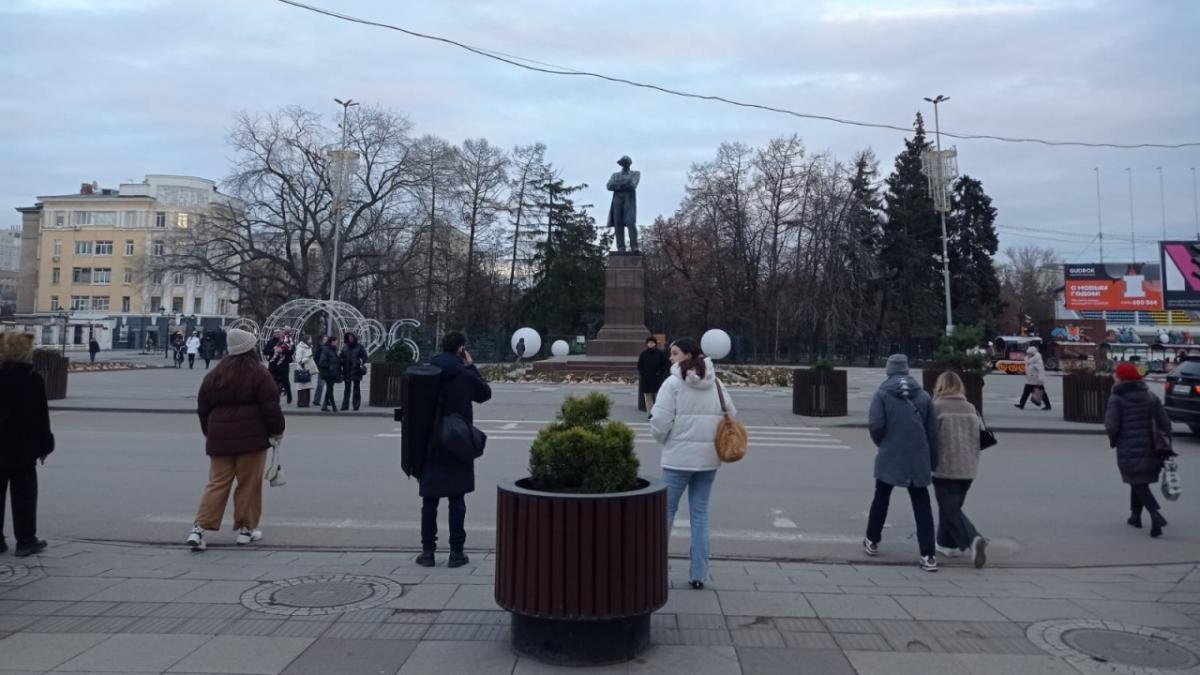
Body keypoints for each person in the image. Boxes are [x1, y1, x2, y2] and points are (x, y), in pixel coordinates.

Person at [186, 328, 284, 551]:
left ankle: (199, 529)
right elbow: (271, 407)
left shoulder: (215, 374)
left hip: (219, 439)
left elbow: (203, 408)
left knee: (217, 483)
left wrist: (209, 433)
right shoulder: (259, 373)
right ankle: (245, 530)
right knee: (249, 484)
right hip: (252, 439)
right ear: (250, 348)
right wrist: (277, 432)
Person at [650, 337, 734, 590]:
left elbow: (660, 422)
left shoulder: (672, 383)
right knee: (700, 515)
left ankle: (656, 570)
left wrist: (664, 439)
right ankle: (698, 574)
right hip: (708, 460)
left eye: (674, 353)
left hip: (678, 459)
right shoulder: (715, 381)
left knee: (664, 514)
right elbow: (731, 413)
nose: (670, 358)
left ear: (687, 355)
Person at [418, 331, 492, 568]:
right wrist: (472, 367)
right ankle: (456, 553)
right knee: (456, 498)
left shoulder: (428, 371)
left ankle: (428, 552)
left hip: (430, 442)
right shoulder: (463, 373)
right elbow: (484, 394)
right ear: (461, 349)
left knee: (429, 500)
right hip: (457, 440)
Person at [863, 354, 940, 572]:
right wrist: (933, 459)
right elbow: (932, 432)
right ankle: (928, 554)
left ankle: (872, 539)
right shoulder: (924, 397)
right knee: (922, 504)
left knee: (881, 497)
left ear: (888, 370)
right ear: (907, 370)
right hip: (918, 457)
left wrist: (884, 443)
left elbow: (876, 425)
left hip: (891, 454)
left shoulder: (882, 394)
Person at [0, 332, 55, 557]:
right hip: (23, 449)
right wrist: (45, 446)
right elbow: (40, 417)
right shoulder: (32, 379)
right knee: (24, 494)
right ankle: (26, 540)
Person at [1105, 362, 1171, 538]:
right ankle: (1135, 516)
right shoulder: (1150, 396)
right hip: (1152, 446)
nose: (1114, 376)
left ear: (1121, 378)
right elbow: (1165, 423)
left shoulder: (1117, 398)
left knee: (1137, 481)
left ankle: (1155, 514)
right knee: (1139, 481)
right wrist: (1166, 443)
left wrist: (1113, 440)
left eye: (1116, 374)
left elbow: (1111, 425)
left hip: (1128, 446)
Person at [931, 371, 988, 568]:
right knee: (951, 508)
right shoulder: (971, 408)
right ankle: (946, 544)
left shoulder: (936, 407)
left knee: (949, 509)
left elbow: (929, 437)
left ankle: (973, 539)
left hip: (945, 467)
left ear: (940, 386)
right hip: (968, 467)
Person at [638, 336, 670, 417]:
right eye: (649, 343)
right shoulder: (643, 354)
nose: (650, 344)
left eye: (652, 343)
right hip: (646, 379)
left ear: (655, 344)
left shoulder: (660, 354)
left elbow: (665, 364)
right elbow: (639, 365)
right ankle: (650, 414)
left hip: (657, 379)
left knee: (657, 398)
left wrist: (660, 372)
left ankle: (657, 413)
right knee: (648, 399)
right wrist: (643, 373)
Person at [339, 332, 369, 411]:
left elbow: (365, 357)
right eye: (349, 337)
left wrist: (360, 362)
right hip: (347, 370)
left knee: (356, 389)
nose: (350, 338)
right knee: (347, 389)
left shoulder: (359, 347)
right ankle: (345, 405)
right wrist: (341, 362)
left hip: (356, 370)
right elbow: (341, 357)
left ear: (354, 338)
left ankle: (356, 405)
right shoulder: (345, 347)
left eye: (351, 337)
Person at [1015, 346, 1050, 410]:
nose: (1028, 354)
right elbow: (1030, 369)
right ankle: (1021, 404)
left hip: (1037, 380)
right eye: (1027, 353)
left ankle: (1048, 405)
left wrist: (1040, 380)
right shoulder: (1030, 360)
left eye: (1029, 353)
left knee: (1042, 393)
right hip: (1031, 379)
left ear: (1032, 353)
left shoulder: (1038, 361)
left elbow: (1040, 371)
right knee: (1028, 392)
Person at [317, 336, 342, 412]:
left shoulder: (333, 349)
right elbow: (322, 361)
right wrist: (330, 366)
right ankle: (333, 406)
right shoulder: (326, 349)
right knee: (330, 389)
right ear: (332, 341)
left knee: (330, 389)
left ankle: (325, 406)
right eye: (336, 341)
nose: (337, 343)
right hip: (328, 373)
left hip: (332, 372)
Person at [267, 337, 293, 405]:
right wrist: (273, 350)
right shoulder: (270, 342)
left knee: (285, 382)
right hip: (273, 366)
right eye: (277, 333)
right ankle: (274, 399)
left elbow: (291, 352)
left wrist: (282, 351)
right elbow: (265, 351)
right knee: (272, 383)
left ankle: (289, 395)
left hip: (283, 366)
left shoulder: (288, 343)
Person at [293, 335, 315, 408]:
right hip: (302, 370)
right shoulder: (301, 348)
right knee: (302, 387)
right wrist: (307, 358)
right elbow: (298, 359)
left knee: (307, 386)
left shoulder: (309, 347)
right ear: (307, 340)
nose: (311, 340)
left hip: (307, 369)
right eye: (310, 339)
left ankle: (306, 402)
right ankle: (302, 402)